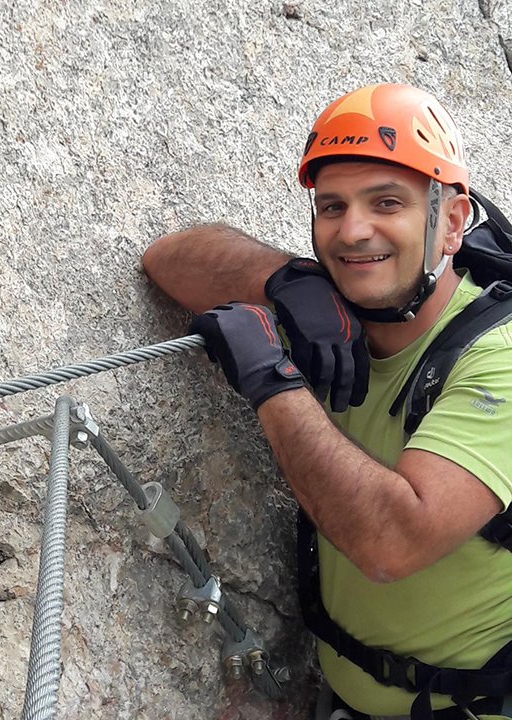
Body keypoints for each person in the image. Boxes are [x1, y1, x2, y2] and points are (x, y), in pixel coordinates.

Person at [142, 83, 512, 720]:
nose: (353, 231)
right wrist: (286, 278)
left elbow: (392, 542)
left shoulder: (498, 356)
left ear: (450, 222)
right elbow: (166, 259)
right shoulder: (336, 317)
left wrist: (273, 381)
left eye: (386, 202)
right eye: (332, 207)